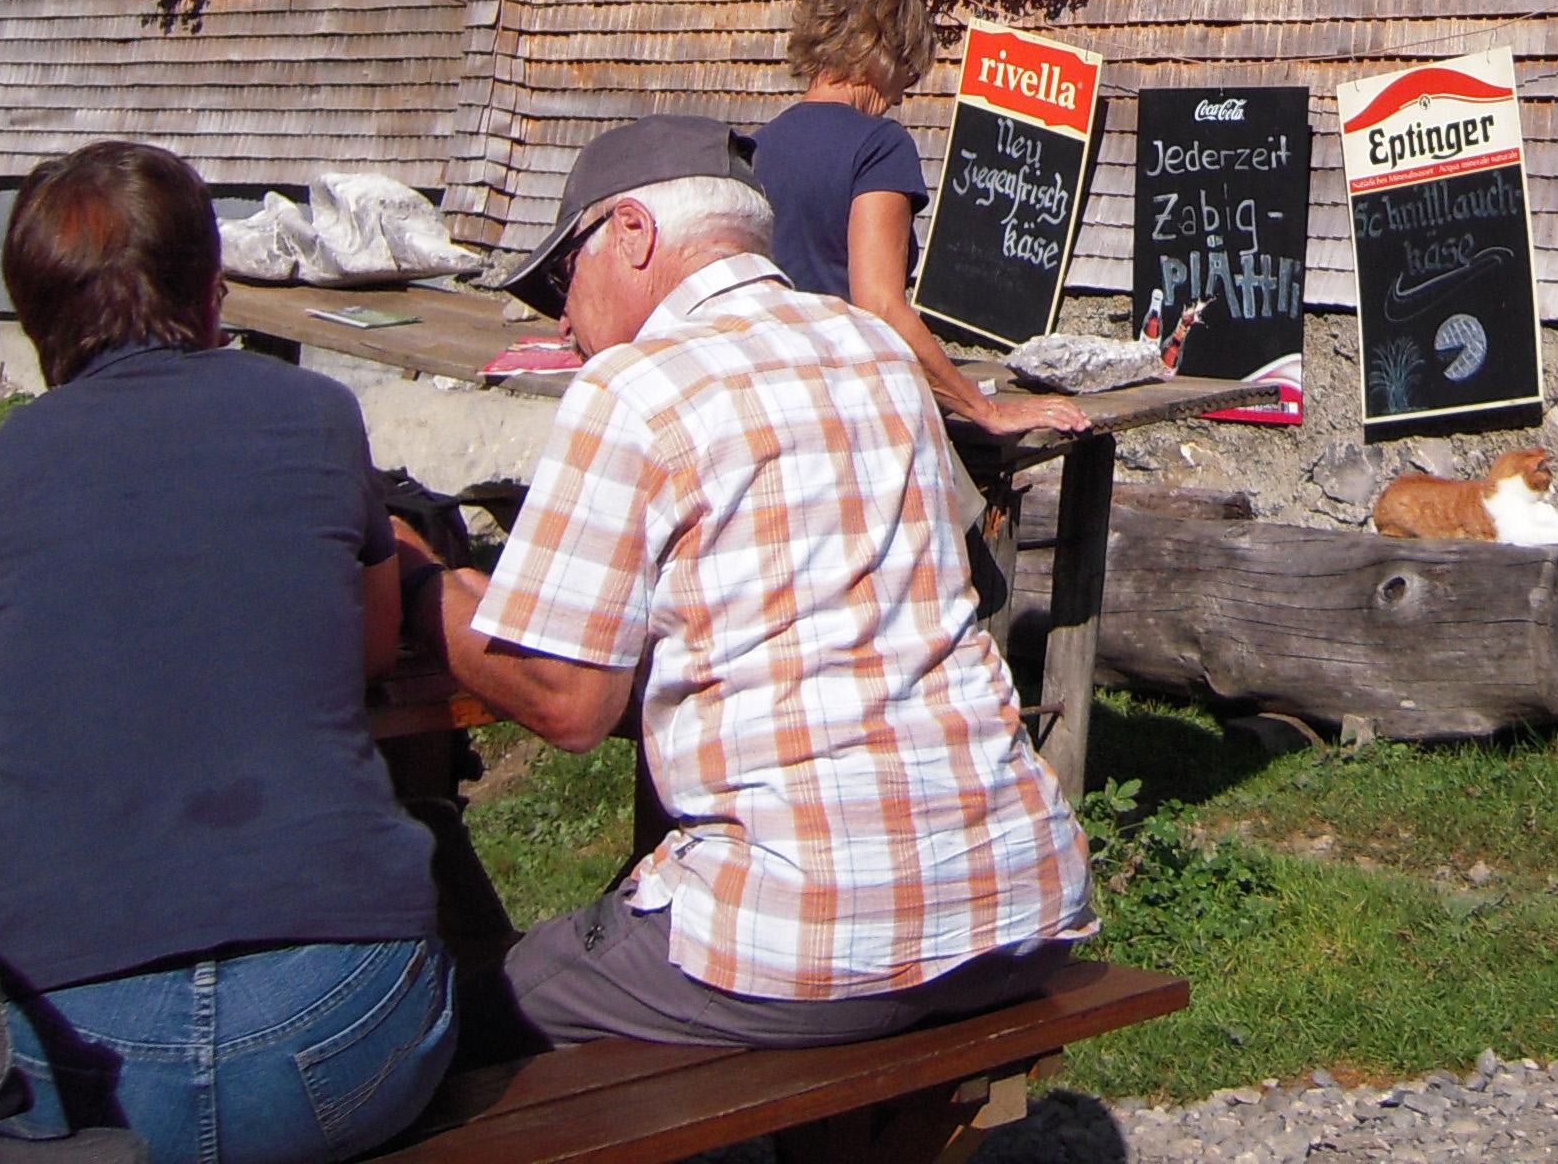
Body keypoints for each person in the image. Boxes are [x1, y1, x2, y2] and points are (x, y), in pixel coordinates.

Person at [445, 116, 1092, 1046]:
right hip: (1022, 899)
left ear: (633, 232)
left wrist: (421, 586)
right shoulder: (875, 350)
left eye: (563, 276)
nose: (561, 317)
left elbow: (568, 704)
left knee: (446, 1022)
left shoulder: (633, 386)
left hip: (813, 939)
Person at [0, 143, 453, 1164]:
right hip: (339, 1016)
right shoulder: (313, 414)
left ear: (32, 312)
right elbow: (367, 644)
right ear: (211, 285)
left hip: (70, 1042)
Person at [753, 0, 1086, 438]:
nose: (903, 93)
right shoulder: (878, 145)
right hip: (845, 407)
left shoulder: (758, 145)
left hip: (769, 397)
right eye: (908, 70)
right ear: (880, 53)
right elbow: (880, 306)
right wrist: (985, 410)